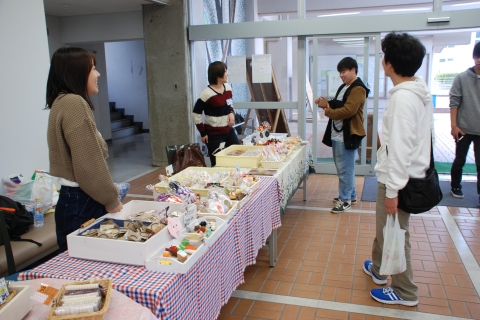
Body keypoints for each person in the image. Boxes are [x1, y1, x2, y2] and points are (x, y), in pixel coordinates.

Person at [364, 32, 432, 307]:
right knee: (386, 227)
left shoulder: (403, 100)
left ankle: (406, 292)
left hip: (399, 180)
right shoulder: (417, 88)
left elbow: (401, 149)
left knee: (395, 234)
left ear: (389, 63)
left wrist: (392, 190)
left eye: (383, 56)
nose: (382, 61)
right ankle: (379, 269)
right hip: (405, 175)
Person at [46, 47, 127, 252]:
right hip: (82, 201)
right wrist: (111, 198)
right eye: (93, 69)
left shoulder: (62, 101)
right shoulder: (74, 103)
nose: (98, 74)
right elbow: (88, 164)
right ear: (77, 72)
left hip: (75, 200)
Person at [315, 57, 369, 213]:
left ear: (353, 70)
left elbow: (348, 111)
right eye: (340, 72)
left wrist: (328, 112)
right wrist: (324, 102)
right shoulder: (345, 87)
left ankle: (345, 200)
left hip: (347, 134)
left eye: (344, 71)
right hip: (339, 133)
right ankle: (350, 195)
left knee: (345, 168)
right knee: (345, 167)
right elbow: (338, 103)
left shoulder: (358, 88)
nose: (342, 75)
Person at [449, 42, 480, 204]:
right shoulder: (461, 78)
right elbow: (454, 102)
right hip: (463, 128)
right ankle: (455, 186)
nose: (479, 60)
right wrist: (454, 125)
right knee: (459, 159)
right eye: (477, 56)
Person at [193, 61, 239, 167]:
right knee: (218, 163)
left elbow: (230, 104)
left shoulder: (228, 88)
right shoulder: (206, 94)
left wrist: (231, 112)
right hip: (214, 135)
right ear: (218, 74)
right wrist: (203, 133)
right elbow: (196, 114)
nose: (227, 74)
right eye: (225, 71)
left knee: (237, 157)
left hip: (228, 131)